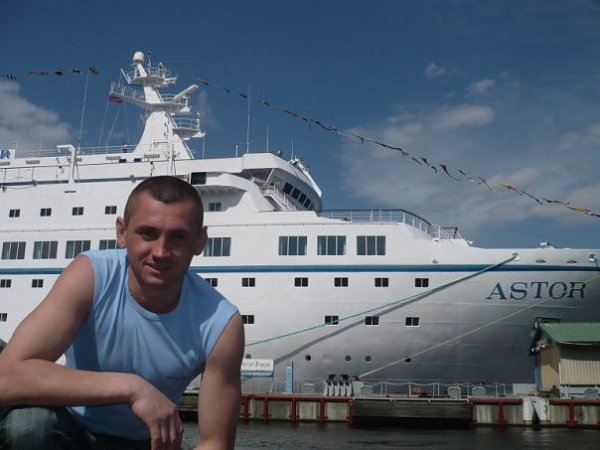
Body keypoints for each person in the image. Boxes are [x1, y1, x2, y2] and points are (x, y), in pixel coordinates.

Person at [0, 176, 244, 450]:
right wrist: (132, 388)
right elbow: (6, 378)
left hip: (147, 441)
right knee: (28, 426)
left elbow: (216, 442)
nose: (161, 252)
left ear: (199, 241)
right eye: (148, 233)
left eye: (178, 237)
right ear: (122, 232)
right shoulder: (92, 275)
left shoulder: (221, 324)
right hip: (72, 430)